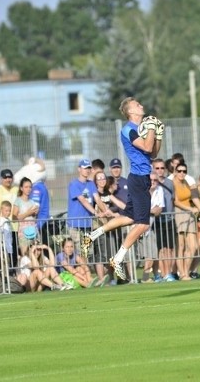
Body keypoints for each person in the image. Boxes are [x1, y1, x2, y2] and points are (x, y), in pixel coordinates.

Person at [81, 97, 163, 280]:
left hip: (140, 179)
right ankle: (117, 258)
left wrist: (158, 134)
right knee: (142, 224)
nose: (141, 105)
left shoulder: (140, 128)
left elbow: (154, 151)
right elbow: (147, 147)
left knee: (128, 218)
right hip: (139, 180)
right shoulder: (128, 130)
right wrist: (151, 129)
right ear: (131, 112)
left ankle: (92, 235)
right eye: (137, 105)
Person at [12, 176, 39, 255]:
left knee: (36, 253)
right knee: (25, 254)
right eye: (26, 187)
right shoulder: (18, 201)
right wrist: (28, 213)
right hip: (23, 232)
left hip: (33, 229)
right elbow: (14, 218)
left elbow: (33, 216)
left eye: (30, 187)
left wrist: (35, 213)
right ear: (21, 188)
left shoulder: (32, 201)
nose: (28, 189)